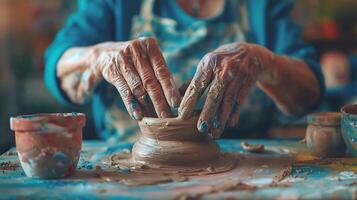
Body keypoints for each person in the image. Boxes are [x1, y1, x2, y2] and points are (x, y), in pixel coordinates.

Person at [45, 0, 324, 142]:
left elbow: (309, 93)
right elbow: (58, 64)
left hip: (244, 166)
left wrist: (265, 62)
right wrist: (98, 56)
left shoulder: (260, 5)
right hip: (129, 167)